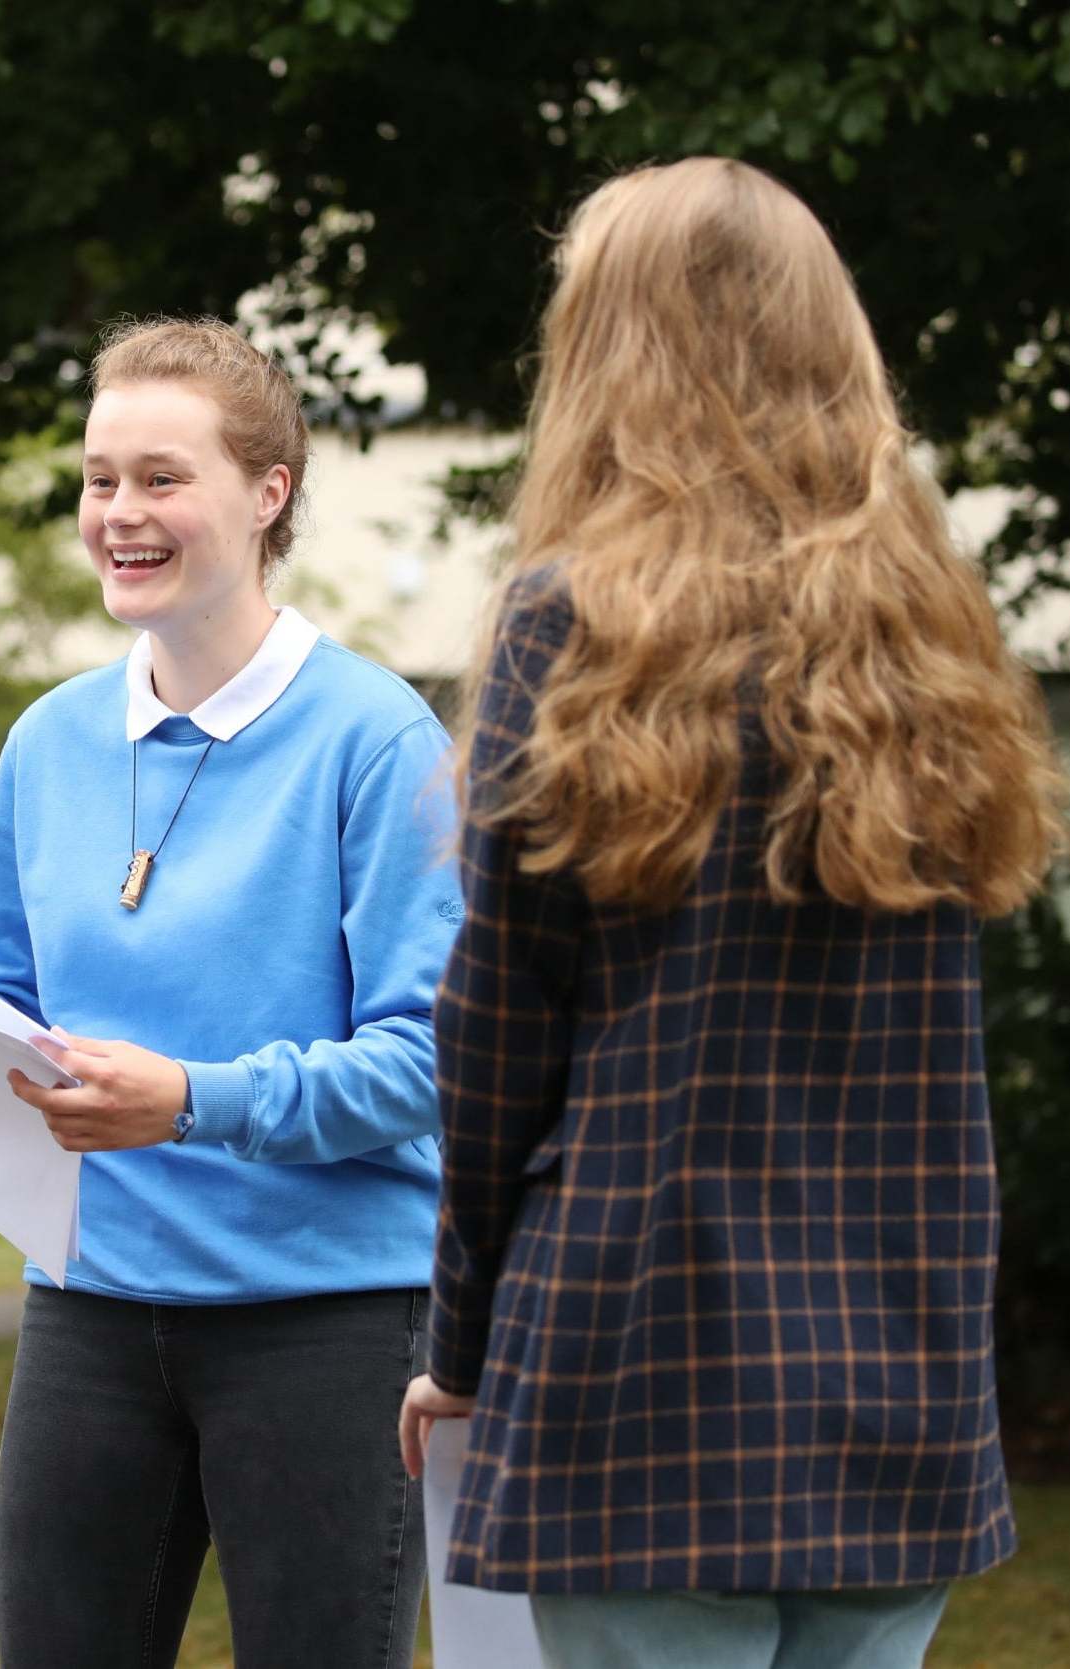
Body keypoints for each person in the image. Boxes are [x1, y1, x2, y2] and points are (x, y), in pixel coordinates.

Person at [398, 158, 1068, 1669]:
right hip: (899, 1369)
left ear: (603, 351)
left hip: (641, 1361)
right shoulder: (929, 630)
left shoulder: (572, 620)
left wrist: (459, 1345)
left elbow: (495, 1033)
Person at [0, 317, 464, 1667]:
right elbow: (2, 999)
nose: (121, 512)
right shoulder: (50, 738)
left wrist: (195, 1101)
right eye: (99, 477)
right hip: (91, 1309)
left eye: (161, 477)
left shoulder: (379, 740)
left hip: (328, 1320)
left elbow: (431, 1066)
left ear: (267, 492)